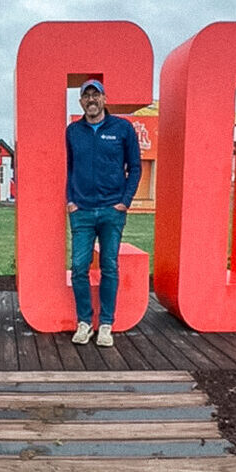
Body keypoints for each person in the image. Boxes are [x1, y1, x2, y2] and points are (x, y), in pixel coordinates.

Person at [66, 79, 141, 347]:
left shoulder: (122, 128)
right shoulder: (73, 131)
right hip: (82, 211)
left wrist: (124, 201)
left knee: (109, 266)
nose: (91, 100)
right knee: (78, 267)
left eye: (95, 95)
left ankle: (106, 324)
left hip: (112, 209)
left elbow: (135, 167)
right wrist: (71, 200)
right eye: (86, 96)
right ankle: (84, 323)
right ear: (81, 102)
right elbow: (69, 167)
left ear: (104, 98)